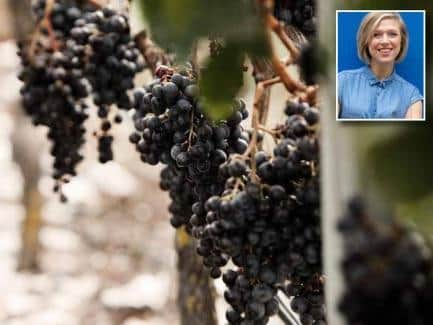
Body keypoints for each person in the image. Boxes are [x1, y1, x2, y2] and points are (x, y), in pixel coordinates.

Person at [338, 12, 423, 119]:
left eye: (392, 34)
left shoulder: (412, 96)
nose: (385, 41)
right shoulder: (341, 82)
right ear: (366, 40)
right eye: (376, 34)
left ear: (402, 40)